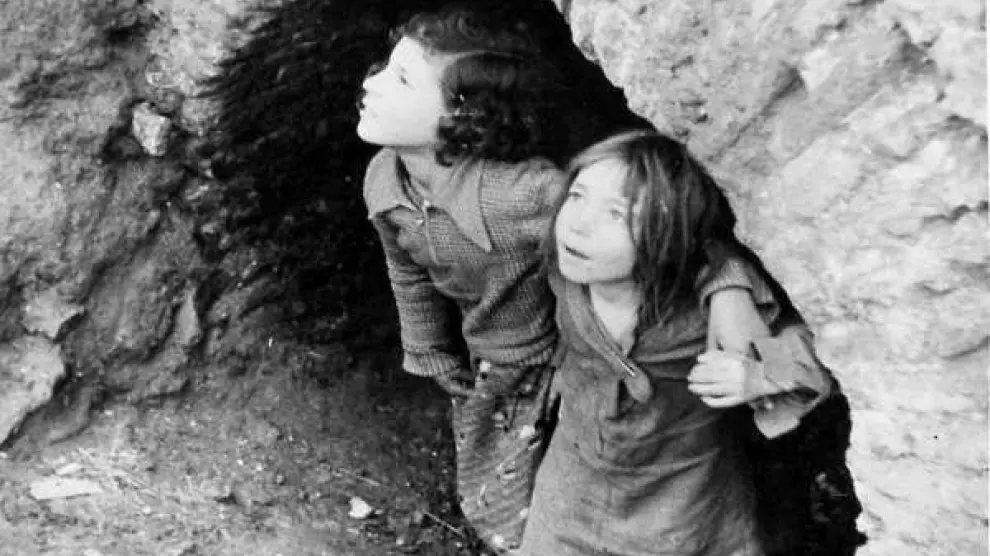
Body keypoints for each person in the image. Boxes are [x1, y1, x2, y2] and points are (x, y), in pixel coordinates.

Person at [356, 6, 786, 553]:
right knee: (501, 474)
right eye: (386, 67)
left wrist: (728, 285)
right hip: (492, 352)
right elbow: (406, 272)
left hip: (556, 354)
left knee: (545, 474)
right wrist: (427, 349)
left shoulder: (525, 194)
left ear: (462, 116)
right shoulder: (384, 180)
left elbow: (658, 232)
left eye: (400, 79)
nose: (370, 83)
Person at [518, 129, 837, 556]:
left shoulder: (705, 310)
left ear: (668, 236)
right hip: (574, 487)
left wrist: (760, 375)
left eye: (616, 214)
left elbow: (821, 361)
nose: (579, 223)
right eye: (576, 196)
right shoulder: (567, 272)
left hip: (682, 506)